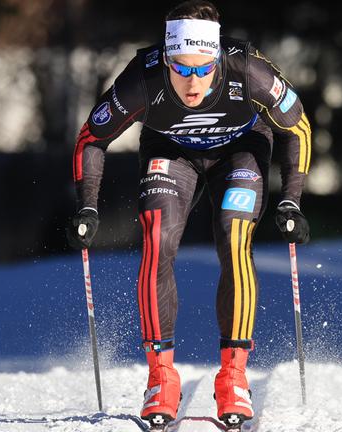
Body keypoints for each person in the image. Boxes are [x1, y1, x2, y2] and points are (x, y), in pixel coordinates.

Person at [65, 0, 311, 428]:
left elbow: (298, 126)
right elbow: (91, 138)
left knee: (234, 236)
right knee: (157, 238)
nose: (192, 81)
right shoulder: (142, 78)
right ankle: (161, 377)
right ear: (166, 59)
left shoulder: (248, 70)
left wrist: (291, 198)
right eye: (180, 68)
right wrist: (87, 204)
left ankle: (233, 375)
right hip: (171, 152)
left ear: (217, 58)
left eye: (202, 68)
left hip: (241, 150)